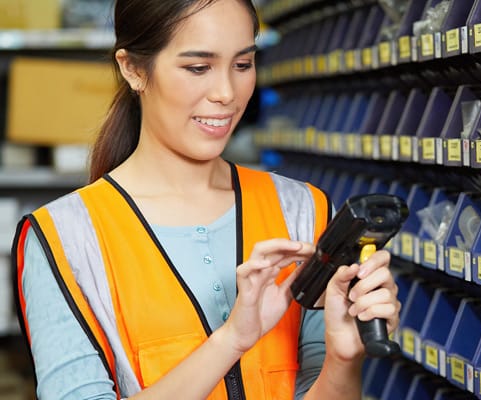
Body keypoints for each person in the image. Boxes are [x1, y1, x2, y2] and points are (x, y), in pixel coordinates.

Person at [11, 0, 401, 398]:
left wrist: (343, 357)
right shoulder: (64, 237)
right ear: (132, 69)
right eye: (198, 68)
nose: (226, 93)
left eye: (243, 64)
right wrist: (231, 340)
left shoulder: (303, 209)